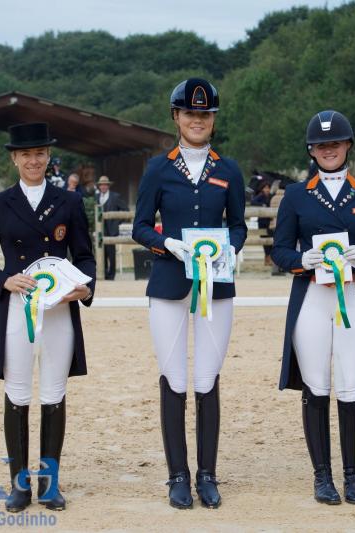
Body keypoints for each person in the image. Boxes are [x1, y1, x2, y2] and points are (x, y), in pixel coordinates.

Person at [0, 122, 97, 513]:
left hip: (58, 311)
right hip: (18, 310)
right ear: (15, 159)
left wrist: (85, 286)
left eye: (40, 153)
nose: (34, 160)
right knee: (19, 393)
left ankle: (50, 483)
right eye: (26, 155)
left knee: (54, 393)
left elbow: (85, 255)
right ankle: (20, 484)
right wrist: (4, 281)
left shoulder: (69, 202)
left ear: (48, 157)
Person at [132, 78, 246, 509]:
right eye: (190, 114)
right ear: (176, 117)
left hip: (215, 285)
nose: (197, 121)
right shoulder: (158, 168)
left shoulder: (228, 170)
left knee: (207, 379)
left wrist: (230, 249)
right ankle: (177, 475)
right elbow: (140, 225)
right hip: (169, 285)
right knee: (175, 379)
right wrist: (168, 243)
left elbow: (238, 223)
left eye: (205, 114)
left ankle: (207, 474)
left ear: (212, 119)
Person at [271, 110, 355, 505]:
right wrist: (300, 260)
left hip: (353, 299)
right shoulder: (295, 195)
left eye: (335, 144)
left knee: (351, 387)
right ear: (312, 150)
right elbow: (281, 250)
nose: (329, 150)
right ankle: (322, 476)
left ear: (347, 147)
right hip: (311, 299)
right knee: (316, 387)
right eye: (322, 145)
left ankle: (353, 475)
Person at [96, 175, 128, 280]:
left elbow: (126, 210)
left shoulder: (115, 196)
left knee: (111, 254)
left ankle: (111, 275)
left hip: (112, 230)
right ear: (99, 186)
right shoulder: (96, 197)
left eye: (105, 185)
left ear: (108, 186)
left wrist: (117, 222)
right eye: (101, 185)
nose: (103, 187)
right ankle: (103, 273)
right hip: (100, 230)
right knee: (101, 253)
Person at [250, 181, 273, 265]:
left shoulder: (271, 196)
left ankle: (269, 258)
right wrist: (263, 205)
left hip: (270, 221)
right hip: (262, 221)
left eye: (268, 188)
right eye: (265, 188)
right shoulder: (260, 196)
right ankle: (267, 258)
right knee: (264, 240)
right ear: (262, 189)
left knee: (271, 240)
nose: (267, 189)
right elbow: (253, 202)